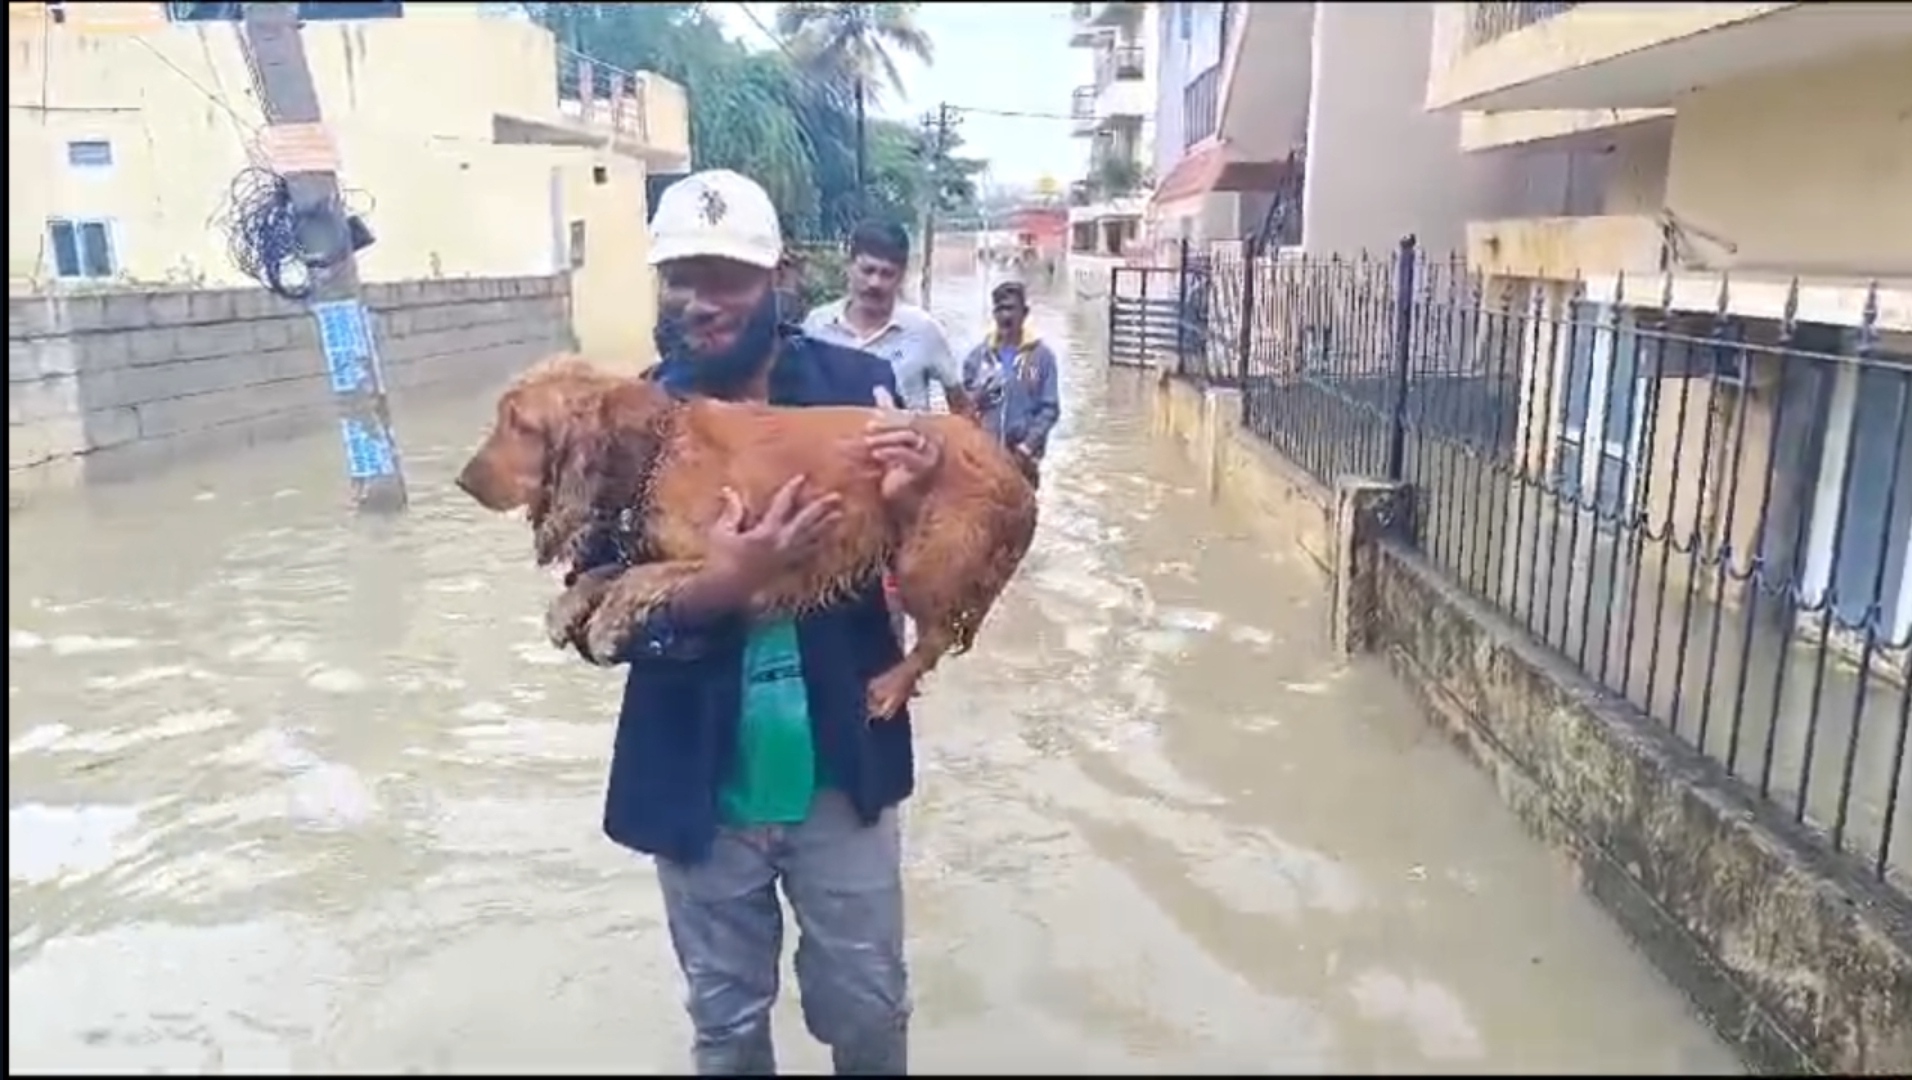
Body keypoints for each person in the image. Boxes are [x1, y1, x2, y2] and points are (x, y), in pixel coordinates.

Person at [567, 169, 938, 1076]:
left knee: (870, 1011)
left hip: (839, 769)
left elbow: (926, 573)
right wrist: (720, 584)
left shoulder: (861, 390)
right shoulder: (630, 424)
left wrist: (915, 502)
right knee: (726, 1026)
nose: (701, 301)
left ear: (779, 276)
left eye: (725, 277)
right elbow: (588, 618)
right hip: (700, 780)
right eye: (681, 276)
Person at [802, 220, 972, 418]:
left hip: (905, 445)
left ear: (901, 276)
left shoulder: (924, 331)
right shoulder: (816, 327)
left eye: (887, 274)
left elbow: (961, 408)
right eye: (868, 271)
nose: (875, 283)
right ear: (849, 267)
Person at [962, 280, 1061, 489]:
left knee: (1019, 517)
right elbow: (962, 408)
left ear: (1024, 313)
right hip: (984, 460)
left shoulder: (1042, 357)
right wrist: (975, 398)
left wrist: (1028, 446)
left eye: (1011, 309)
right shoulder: (977, 357)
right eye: (1000, 309)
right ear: (994, 314)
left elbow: (1050, 409)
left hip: (1023, 459)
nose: (1005, 316)